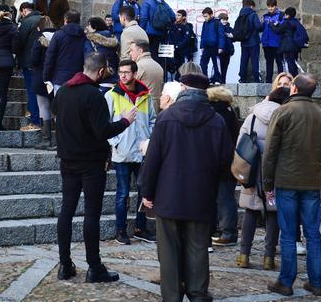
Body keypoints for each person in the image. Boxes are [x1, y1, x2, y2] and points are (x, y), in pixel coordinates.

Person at [141, 73, 234, 302]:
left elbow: (152, 160)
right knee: (198, 248)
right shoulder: (216, 121)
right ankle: (197, 292)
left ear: (183, 88)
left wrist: (147, 192)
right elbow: (225, 162)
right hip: (201, 195)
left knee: (169, 252)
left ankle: (172, 296)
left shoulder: (167, 117)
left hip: (168, 195)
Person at [53, 52, 136, 283]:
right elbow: (102, 131)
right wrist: (125, 121)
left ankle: (65, 264)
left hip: (68, 161)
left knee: (66, 211)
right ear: (101, 71)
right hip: (90, 163)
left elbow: (55, 115)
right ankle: (94, 266)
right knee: (91, 213)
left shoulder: (63, 91)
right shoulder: (94, 95)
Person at [262, 74, 321, 297]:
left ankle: (286, 281)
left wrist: (267, 181)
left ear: (294, 89)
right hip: (311, 180)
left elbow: (270, 151)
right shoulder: (320, 114)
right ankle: (317, 281)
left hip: (287, 179)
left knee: (289, 234)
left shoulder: (283, 112)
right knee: (313, 233)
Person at [236, 86, 290, 270]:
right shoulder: (286, 118)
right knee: (273, 214)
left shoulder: (252, 116)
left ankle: (244, 255)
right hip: (275, 171)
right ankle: (268, 258)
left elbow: (240, 144)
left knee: (250, 212)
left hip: (252, 170)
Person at [106, 60, 157, 245]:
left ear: (135, 74)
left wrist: (149, 139)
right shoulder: (111, 95)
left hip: (142, 152)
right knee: (123, 193)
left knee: (144, 192)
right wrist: (116, 142)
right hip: (122, 153)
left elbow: (152, 119)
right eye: (120, 73)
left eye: (126, 72)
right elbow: (105, 124)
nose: (123, 76)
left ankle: (140, 228)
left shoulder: (146, 95)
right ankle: (120, 230)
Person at [207, 85, 240, 248]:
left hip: (220, 162)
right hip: (229, 161)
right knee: (223, 197)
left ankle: (228, 232)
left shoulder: (216, 113)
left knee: (223, 198)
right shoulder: (229, 111)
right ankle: (223, 230)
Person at [31, 17, 58, 149]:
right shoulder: (59, 37)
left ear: (39, 27)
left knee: (43, 106)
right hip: (56, 76)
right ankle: (60, 140)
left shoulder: (39, 38)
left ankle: (46, 139)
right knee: (57, 109)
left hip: (40, 75)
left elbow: (34, 59)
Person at [43, 10, 86, 94]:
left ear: (65, 20)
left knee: (60, 105)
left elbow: (50, 56)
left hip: (60, 78)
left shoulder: (58, 35)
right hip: (78, 76)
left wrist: (46, 76)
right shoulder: (83, 36)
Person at [16, 3, 44, 132]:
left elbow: (20, 42)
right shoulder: (45, 20)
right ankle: (43, 118)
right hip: (44, 62)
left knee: (32, 91)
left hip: (30, 61)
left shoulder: (27, 22)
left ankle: (34, 121)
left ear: (24, 11)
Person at [138, 0, 175, 70]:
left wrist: (141, 30)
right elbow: (173, 16)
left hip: (149, 33)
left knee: (148, 54)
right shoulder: (163, 2)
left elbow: (143, 18)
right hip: (161, 33)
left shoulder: (147, 1)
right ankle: (159, 73)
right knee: (158, 55)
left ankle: (150, 73)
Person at [84, 17, 119, 91]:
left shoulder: (89, 41)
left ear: (95, 28)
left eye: (89, 25)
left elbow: (88, 58)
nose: (87, 27)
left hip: (98, 77)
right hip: (113, 76)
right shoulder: (112, 39)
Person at [129, 40, 164, 113]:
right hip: (156, 107)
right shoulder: (158, 66)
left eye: (132, 50)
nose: (130, 53)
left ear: (140, 51)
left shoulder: (139, 66)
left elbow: (127, 87)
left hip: (143, 107)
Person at [236, 0, 262, 83]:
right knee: (254, 60)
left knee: (244, 60)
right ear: (251, 6)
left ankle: (242, 78)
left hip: (244, 42)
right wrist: (263, 23)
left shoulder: (241, 15)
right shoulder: (253, 15)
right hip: (253, 41)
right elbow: (258, 27)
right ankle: (256, 79)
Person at [167, 9, 196, 81]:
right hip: (174, 51)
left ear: (183, 17)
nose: (177, 17)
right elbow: (170, 37)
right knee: (174, 66)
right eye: (176, 15)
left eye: (179, 15)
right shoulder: (173, 26)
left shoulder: (187, 26)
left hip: (183, 51)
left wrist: (178, 46)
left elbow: (186, 39)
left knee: (183, 67)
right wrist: (172, 46)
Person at [261, 0, 285, 83]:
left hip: (277, 44)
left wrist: (272, 24)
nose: (270, 8)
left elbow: (281, 29)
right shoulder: (265, 16)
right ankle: (268, 81)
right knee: (269, 63)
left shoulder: (281, 15)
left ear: (276, 6)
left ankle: (282, 82)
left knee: (279, 63)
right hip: (266, 44)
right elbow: (261, 29)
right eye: (269, 7)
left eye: (272, 6)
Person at [273, 7, 302, 76]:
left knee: (289, 62)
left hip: (288, 46)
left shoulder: (286, 22)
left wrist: (271, 25)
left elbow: (278, 31)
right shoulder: (295, 21)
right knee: (294, 62)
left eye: (285, 15)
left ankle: (291, 78)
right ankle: (295, 78)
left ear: (287, 15)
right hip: (295, 46)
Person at [199, 7, 224, 84]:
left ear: (211, 15)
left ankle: (217, 79)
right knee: (203, 63)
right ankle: (205, 79)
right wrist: (202, 46)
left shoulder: (217, 23)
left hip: (215, 47)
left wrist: (221, 47)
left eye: (206, 16)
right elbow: (203, 35)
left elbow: (221, 35)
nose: (205, 18)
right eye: (204, 16)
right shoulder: (205, 23)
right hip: (206, 47)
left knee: (215, 64)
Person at [217, 13, 235, 83]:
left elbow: (234, 35)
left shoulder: (229, 28)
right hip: (220, 50)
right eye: (223, 20)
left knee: (225, 67)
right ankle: (219, 80)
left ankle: (223, 81)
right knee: (219, 67)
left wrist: (230, 35)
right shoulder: (218, 27)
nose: (225, 21)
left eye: (226, 20)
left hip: (228, 50)